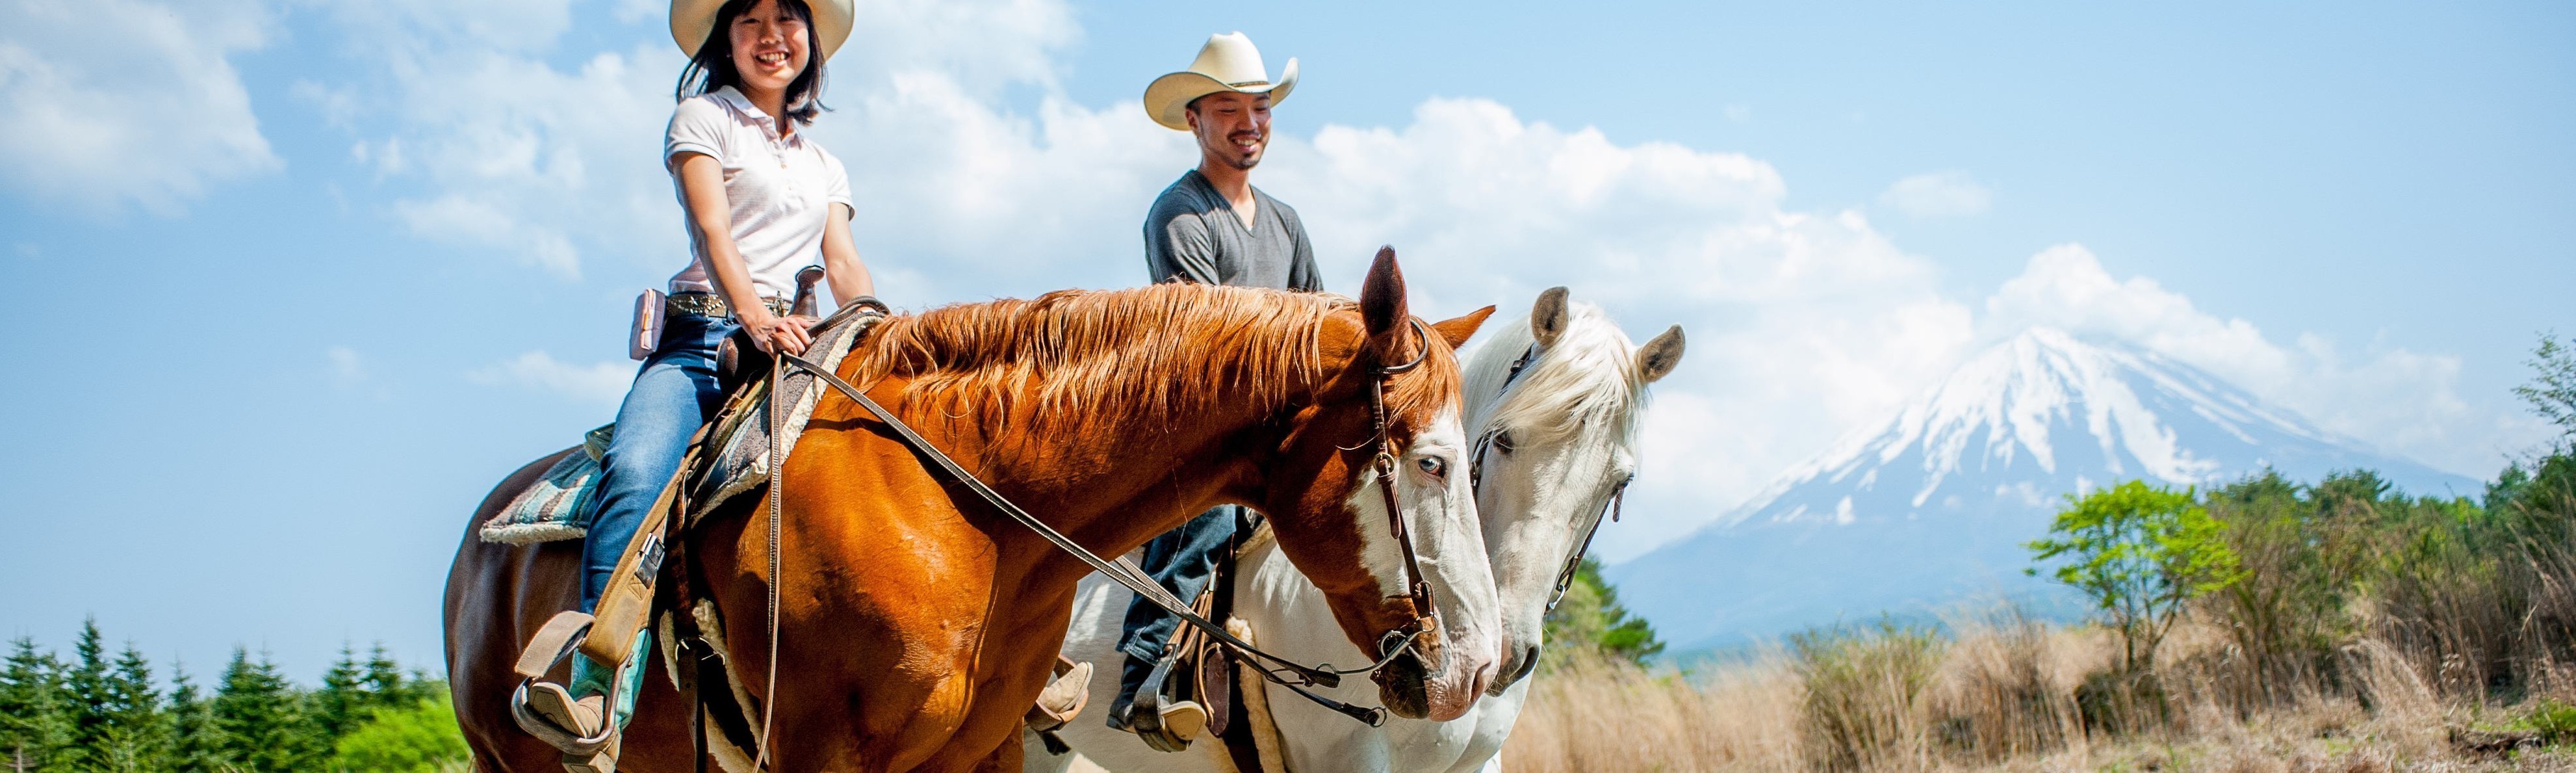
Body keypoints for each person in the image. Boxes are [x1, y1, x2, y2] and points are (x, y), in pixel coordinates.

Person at [522, 0, 872, 743]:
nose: (772, 39)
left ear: (810, 40)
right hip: (703, 336)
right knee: (637, 468)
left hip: (802, 340)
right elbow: (713, 229)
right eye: (750, 23)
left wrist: (881, 328)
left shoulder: (822, 160)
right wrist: (755, 319)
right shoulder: (700, 119)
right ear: (725, 42)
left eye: (787, 21)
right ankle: (597, 678)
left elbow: (840, 261)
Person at [1111, 31, 1318, 744]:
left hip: (1281, 417)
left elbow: (1318, 321)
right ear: (1194, 121)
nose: (1248, 122)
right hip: (1205, 416)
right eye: (1227, 107)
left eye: (1259, 106)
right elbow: (1210, 342)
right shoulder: (1180, 214)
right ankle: (1147, 667)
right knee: (1212, 515)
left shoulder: (1288, 221)